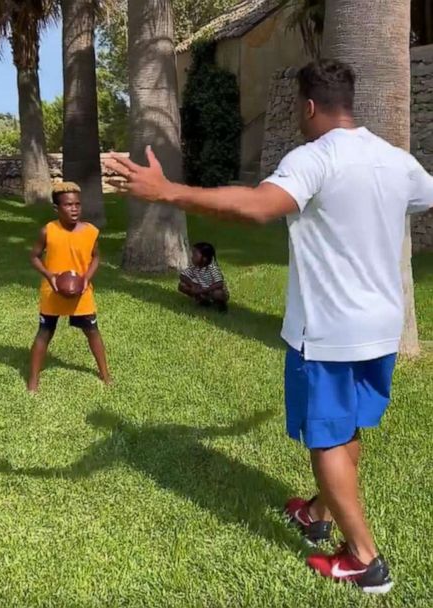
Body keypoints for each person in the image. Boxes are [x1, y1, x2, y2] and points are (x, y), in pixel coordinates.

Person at [105, 59, 433, 594]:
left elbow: (259, 206)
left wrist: (169, 192)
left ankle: (365, 560)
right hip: (382, 325)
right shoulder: (398, 161)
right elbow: (426, 196)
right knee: (346, 427)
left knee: (326, 439)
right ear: (350, 102)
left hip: (328, 329)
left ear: (308, 107)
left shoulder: (314, 158)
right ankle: (316, 514)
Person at [27, 182, 111, 393]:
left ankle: (105, 374)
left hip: (81, 293)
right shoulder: (48, 231)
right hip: (53, 291)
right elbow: (35, 257)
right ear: (57, 208)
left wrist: (86, 279)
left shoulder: (91, 231)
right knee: (44, 332)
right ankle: (33, 380)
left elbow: (96, 257)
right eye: (68, 205)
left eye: (77, 204)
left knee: (92, 331)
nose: (74, 209)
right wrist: (50, 276)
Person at [179, 242, 229, 312]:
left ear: (204, 258)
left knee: (218, 293)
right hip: (201, 290)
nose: (192, 257)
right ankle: (202, 300)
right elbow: (182, 276)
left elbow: (219, 283)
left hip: (212, 290)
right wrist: (192, 285)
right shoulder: (195, 268)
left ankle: (220, 305)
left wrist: (203, 290)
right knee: (182, 285)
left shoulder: (212, 268)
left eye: (195, 255)